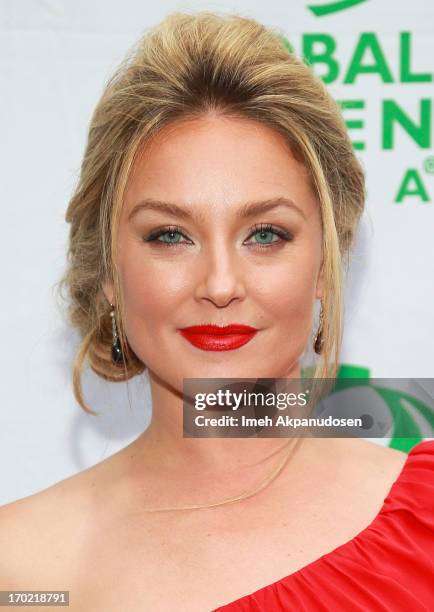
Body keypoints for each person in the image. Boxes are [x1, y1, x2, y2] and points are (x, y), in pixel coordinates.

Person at [1, 10, 433, 612]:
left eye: (265, 234)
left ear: (326, 269)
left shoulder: (427, 521)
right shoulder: (20, 571)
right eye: (170, 236)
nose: (221, 285)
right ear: (107, 272)